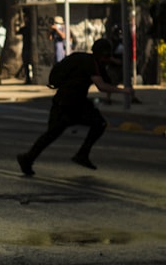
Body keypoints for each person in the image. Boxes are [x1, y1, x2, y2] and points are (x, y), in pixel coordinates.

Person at [16, 38, 135, 176]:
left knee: (95, 124)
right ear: (100, 54)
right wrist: (125, 91)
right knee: (53, 133)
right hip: (67, 103)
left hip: (73, 103)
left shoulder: (95, 63)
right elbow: (102, 86)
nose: (107, 59)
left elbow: (107, 82)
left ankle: (79, 154)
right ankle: (29, 158)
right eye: (106, 56)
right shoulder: (89, 63)